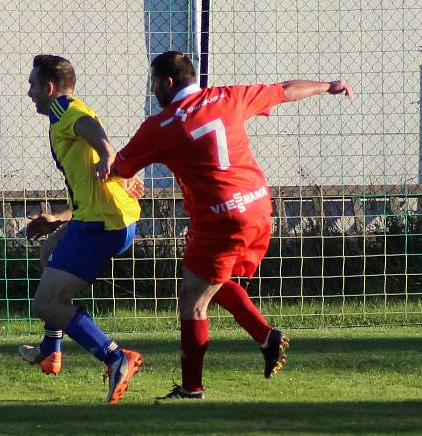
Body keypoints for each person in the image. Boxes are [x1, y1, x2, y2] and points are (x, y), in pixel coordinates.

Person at [108, 51, 354, 399]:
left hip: (220, 216)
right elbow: (284, 89)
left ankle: (192, 389)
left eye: (153, 83)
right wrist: (328, 85)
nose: (152, 90)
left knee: (193, 300)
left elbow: (118, 168)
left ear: (167, 82)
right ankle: (266, 337)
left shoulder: (161, 126)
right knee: (210, 279)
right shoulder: (229, 97)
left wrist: (99, 162)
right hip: (257, 206)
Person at [19, 54, 145, 404]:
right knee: (49, 253)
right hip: (105, 218)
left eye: (32, 85)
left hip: (100, 225)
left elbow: (89, 126)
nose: (28, 92)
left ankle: (115, 356)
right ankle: (50, 350)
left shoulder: (64, 109)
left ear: (48, 87)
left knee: (46, 303)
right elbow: (88, 183)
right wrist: (59, 218)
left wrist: (107, 153)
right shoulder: (66, 112)